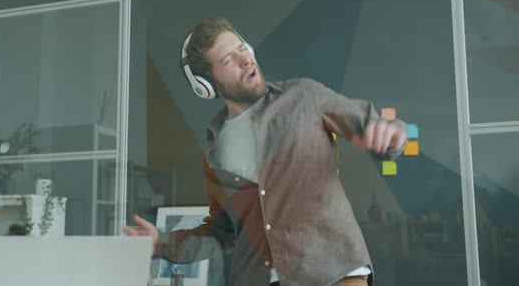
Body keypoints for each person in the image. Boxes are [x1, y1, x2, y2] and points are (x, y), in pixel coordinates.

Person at [124, 17, 408, 286]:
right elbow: (221, 233)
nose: (245, 58)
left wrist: (391, 134)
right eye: (228, 60)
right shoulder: (215, 151)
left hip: (334, 274)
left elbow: (374, 127)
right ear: (206, 86)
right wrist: (161, 243)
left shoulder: (305, 96)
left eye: (241, 48)